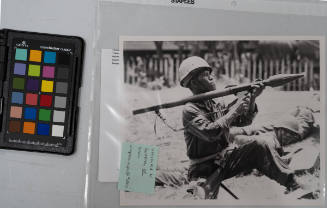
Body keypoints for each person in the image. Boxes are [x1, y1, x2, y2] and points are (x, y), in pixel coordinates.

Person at [179, 56, 302, 198]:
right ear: (193, 83)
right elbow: (211, 132)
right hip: (203, 168)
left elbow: (243, 121)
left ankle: (294, 185)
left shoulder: (214, 103)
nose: (212, 78)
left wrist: (252, 99)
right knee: (198, 197)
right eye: (206, 75)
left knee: (259, 145)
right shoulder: (190, 110)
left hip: (225, 159)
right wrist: (234, 110)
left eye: (210, 73)